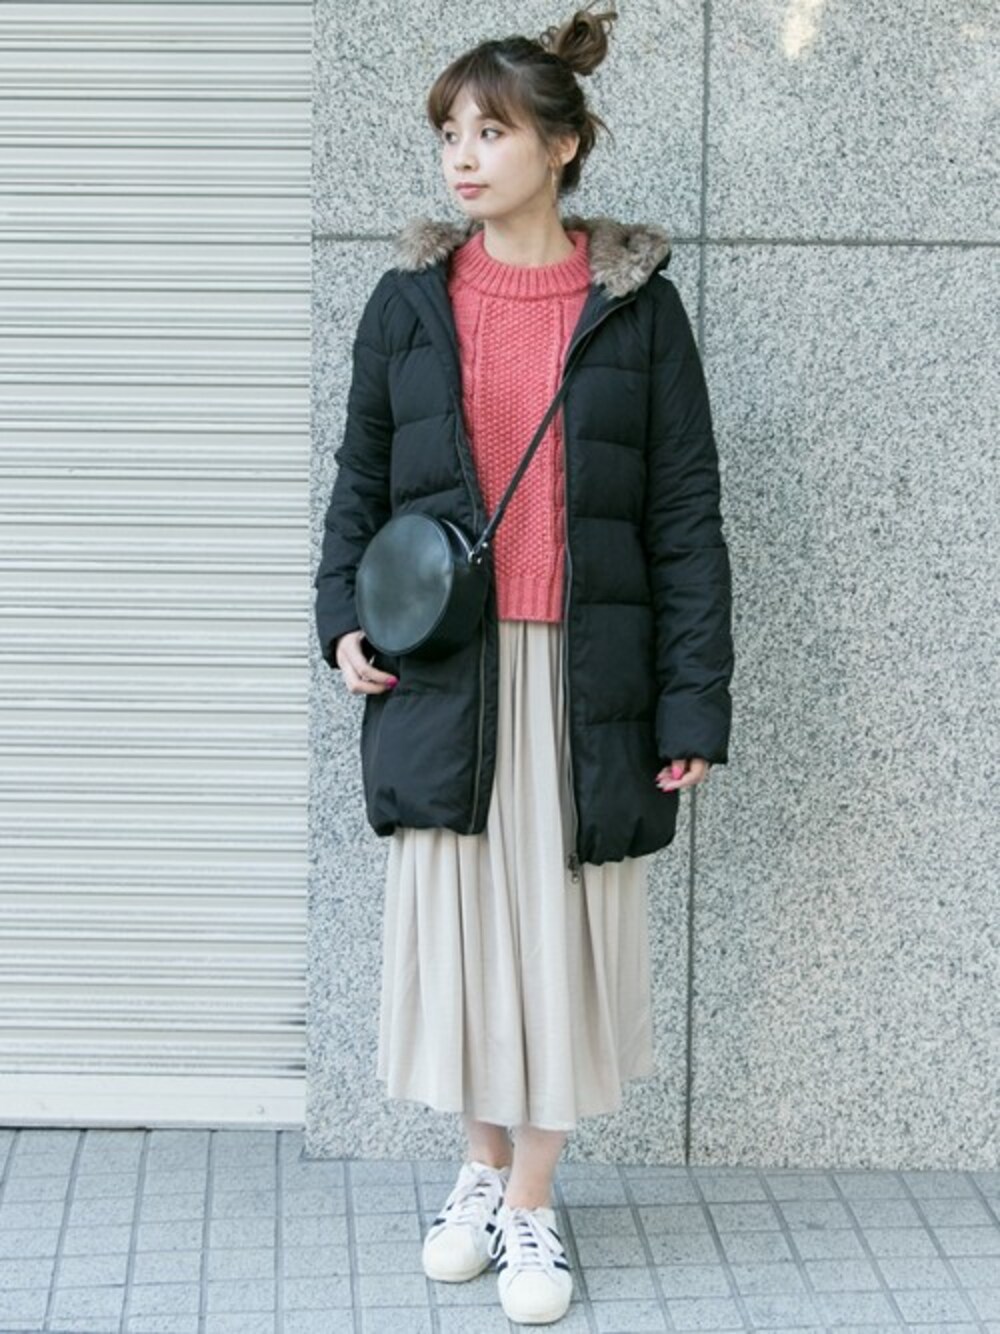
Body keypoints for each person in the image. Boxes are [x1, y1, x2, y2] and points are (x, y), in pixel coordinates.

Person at [313, 3, 734, 1325]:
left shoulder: (638, 313)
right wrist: (340, 624)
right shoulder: (407, 306)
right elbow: (360, 486)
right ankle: (482, 1171)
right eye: (449, 131)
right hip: (448, 672)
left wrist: (692, 701)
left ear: (561, 147)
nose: (462, 155)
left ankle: (536, 1201)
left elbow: (684, 515)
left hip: (584, 679)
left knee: (560, 940)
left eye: (490, 131)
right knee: (461, 936)